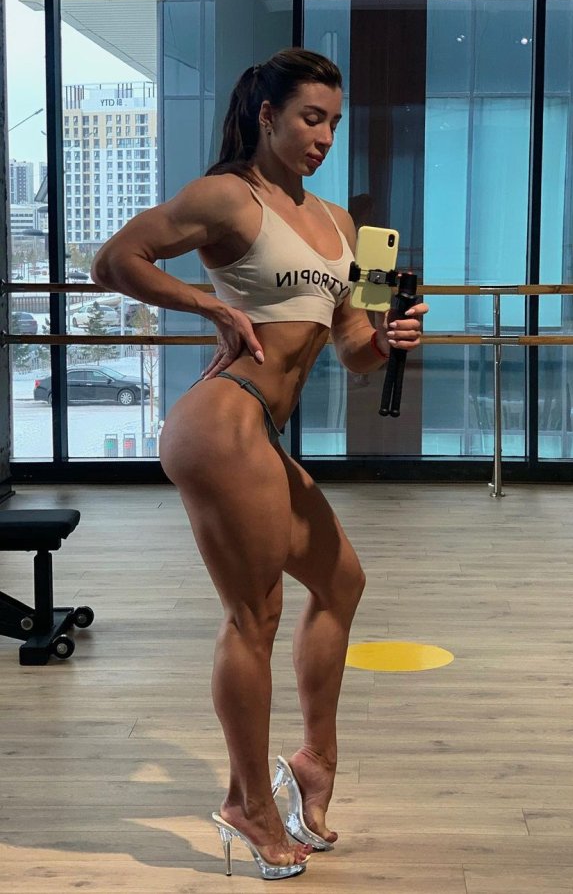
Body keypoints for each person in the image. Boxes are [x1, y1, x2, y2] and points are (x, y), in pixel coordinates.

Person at [91, 47, 428, 880]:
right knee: (255, 617)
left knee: (342, 583)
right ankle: (248, 802)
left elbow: (352, 351)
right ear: (268, 115)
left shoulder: (342, 225)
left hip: (260, 433)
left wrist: (389, 339)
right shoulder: (227, 197)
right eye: (311, 118)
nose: (324, 138)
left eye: (334, 123)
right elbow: (115, 260)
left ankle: (314, 761)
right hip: (222, 420)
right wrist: (208, 303)